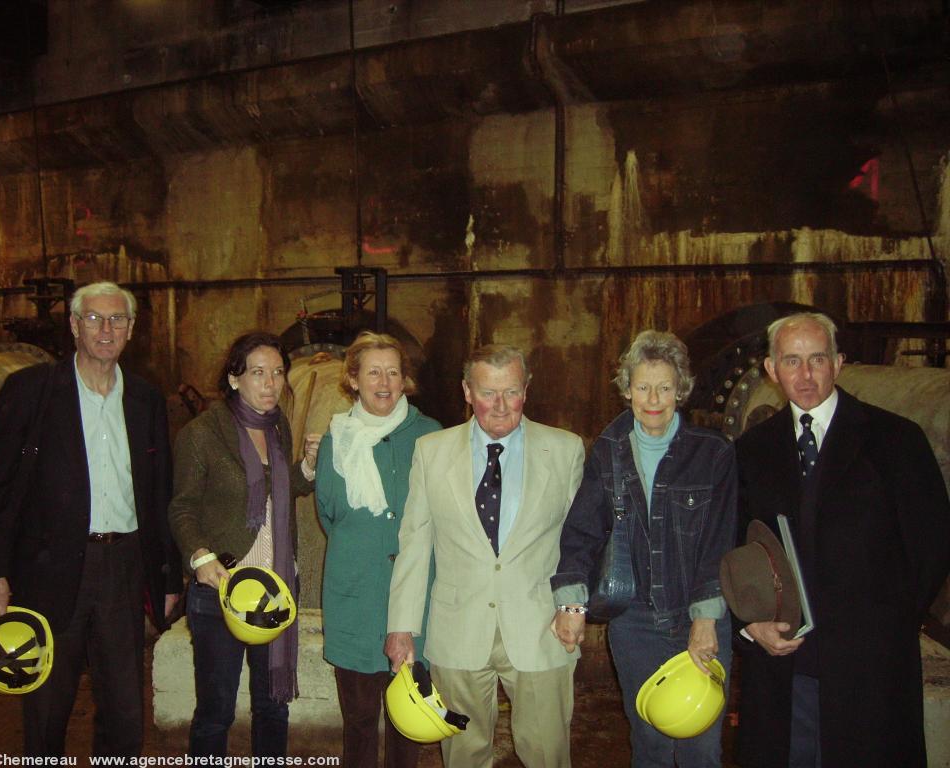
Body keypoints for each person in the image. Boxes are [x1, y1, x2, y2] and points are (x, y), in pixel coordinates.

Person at [734, 311, 950, 768]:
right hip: (783, 664)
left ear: (839, 363)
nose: (805, 375)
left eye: (817, 359)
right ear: (771, 371)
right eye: (791, 361)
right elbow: (734, 547)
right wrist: (751, 623)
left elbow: (932, 545)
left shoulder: (896, 441)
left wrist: (883, 625)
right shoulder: (751, 451)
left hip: (869, 667)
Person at [0, 280, 182, 757]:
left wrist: (167, 573)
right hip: (49, 570)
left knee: (125, 711)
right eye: (93, 318)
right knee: (48, 705)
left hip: (124, 568)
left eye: (117, 319)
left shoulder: (146, 400)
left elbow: (158, 494)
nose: (105, 329)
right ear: (73, 326)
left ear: (131, 329)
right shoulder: (31, 392)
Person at [386, 343, 585, 768]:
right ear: (466, 391)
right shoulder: (431, 451)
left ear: (526, 391)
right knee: (462, 755)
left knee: (549, 754)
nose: (499, 405)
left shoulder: (565, 450)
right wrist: (402, 627)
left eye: (511, 392)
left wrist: (574, 604)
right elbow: (415, 542)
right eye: (487, 392)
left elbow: (582, 541)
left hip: (542, 629)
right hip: (457, 630)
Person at [552, 329, 737, 768]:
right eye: (642, 386)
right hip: (635, 624)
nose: (653, 398)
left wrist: (705, 619)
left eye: (665, 387)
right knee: (649, 742)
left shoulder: (713, 453)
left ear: (682, 390)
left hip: (700, 616)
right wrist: (571, 605)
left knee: (700, 745)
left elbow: (720, 540)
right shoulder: (608, 450)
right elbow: (582, 531)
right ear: (627, 389)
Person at [168, 332, 321, 759]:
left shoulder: (278, 427)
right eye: (258, 373)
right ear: (234, 379)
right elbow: (182, 508)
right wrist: (200, 555)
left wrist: (306, 469)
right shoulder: (202, 434)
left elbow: (277, 489)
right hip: (221, 590)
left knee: (273, 707)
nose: (270, 383)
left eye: (277, 373)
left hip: (274, 589)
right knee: (216, 712)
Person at [316, 331, 442, 768]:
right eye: (373, 371)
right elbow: (329, 514)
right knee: (359, 720)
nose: (384, 382)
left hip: (415, 599)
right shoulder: (335, 439)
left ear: (405, 380)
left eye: (393, 371)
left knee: (410, 718)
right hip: (355, 596)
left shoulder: (431, 435)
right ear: (353, 379)